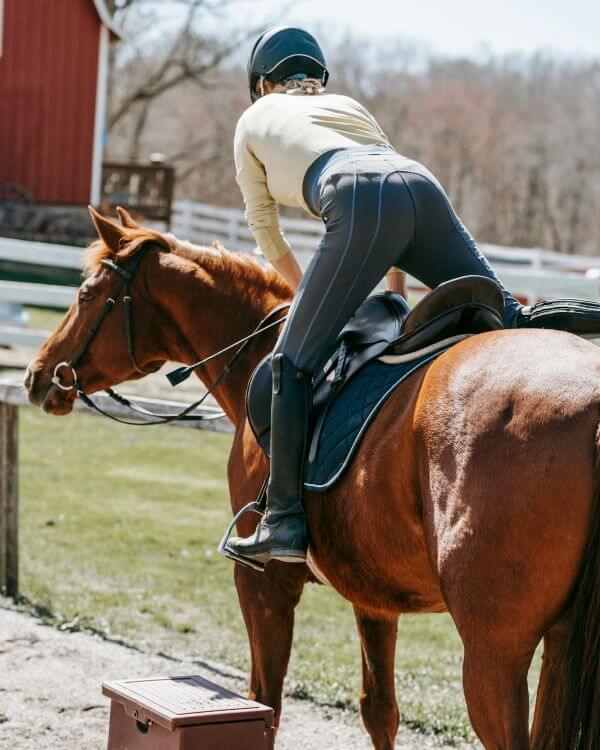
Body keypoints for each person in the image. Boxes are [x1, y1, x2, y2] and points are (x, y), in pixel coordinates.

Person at [224, 25, 522, 567]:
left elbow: (265, 230)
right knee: (513, 316)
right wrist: (395, 299)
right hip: (420, 187)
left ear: (262, 84)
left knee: (290, 365)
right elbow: (394, 210)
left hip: (356, 194)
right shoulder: (348, 105)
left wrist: (307, 299)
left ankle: (284, 520)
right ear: (317, 78)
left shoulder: (252, 120)